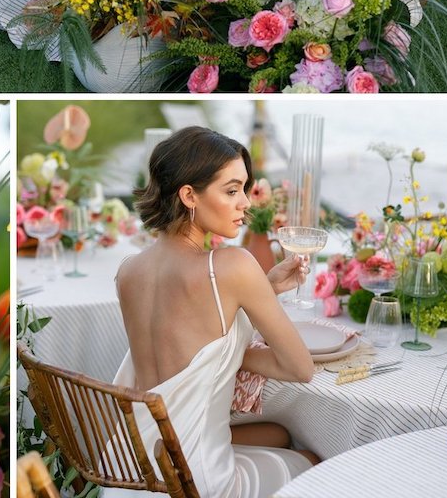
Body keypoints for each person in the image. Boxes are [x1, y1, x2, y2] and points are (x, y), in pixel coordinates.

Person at [109, 127, 318, 498]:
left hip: (134, 464)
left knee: (279, 433)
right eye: (232, 190)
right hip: (195, 482)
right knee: (313, 458)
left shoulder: (128, 270)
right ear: (189, 194)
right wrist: (237, 352)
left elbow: (185, 333)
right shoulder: (231, 264)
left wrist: (263, 288)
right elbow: (299, 368)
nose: (246, 203)